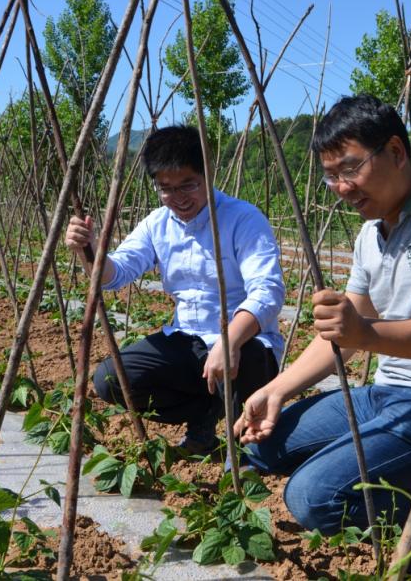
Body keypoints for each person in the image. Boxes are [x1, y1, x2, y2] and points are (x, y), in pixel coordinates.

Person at [234, 94, 411, 571]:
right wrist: (276, 389)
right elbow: (341, 335)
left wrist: (365, 333)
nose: (340, 187)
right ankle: (384, 472)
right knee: (264, 445)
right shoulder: (370, 234)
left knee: (313, 498)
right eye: (330, 175)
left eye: (349, 169)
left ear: (396, 153)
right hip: (385, 393)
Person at [64, 124, 285, 454]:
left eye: (188, 185)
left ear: (208, 174)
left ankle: (246, 450)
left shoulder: (243, 218)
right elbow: (116, 274)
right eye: (165, 188)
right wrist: (89, 251)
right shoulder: (157, 223)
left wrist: (229, 339)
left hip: (244, 343)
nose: (178, 198)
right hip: (187, 340)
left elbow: (267, 291)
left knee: (246, 360)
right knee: (111, 380)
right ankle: (204, 415)